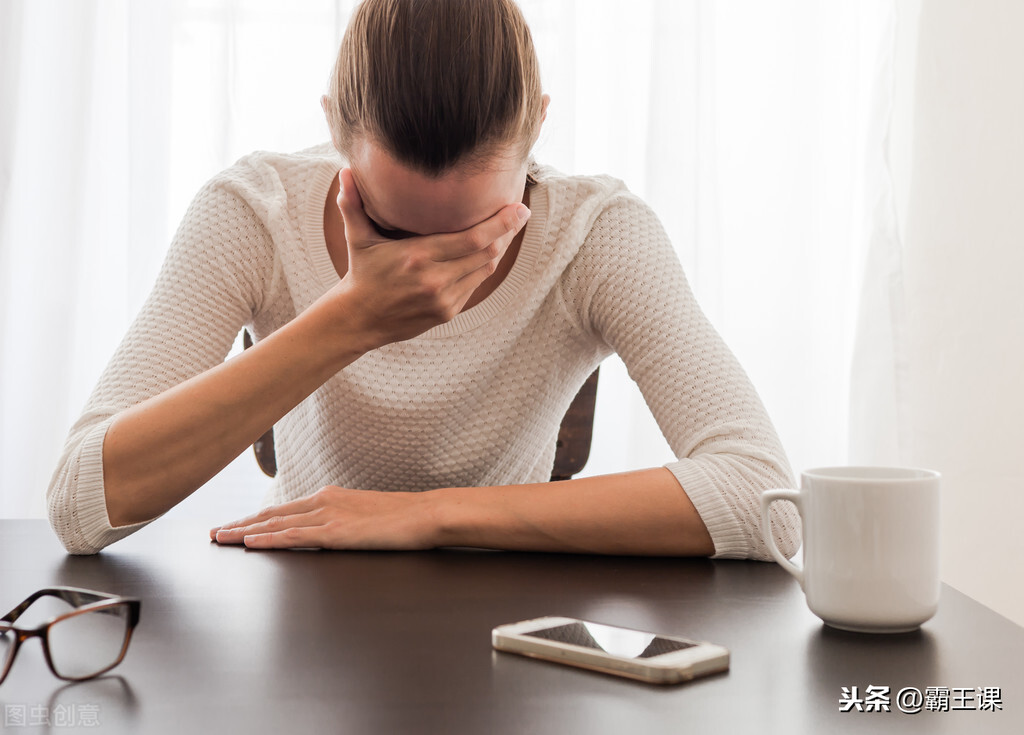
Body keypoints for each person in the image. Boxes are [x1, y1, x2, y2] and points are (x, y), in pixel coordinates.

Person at [48, 0, 800, 560]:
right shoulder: (254, 213)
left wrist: (430, 514)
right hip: (305, 636)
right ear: (335, 129)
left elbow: (765, 499)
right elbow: (78, 504)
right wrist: (349, 319)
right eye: (397, 229)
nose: (427, 269)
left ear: (537, 127)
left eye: (474, 231)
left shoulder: (595, 232)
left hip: (509, 638)